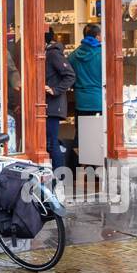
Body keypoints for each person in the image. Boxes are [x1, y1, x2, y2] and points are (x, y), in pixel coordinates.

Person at [67, 23, 104, 168]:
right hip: (98, 101)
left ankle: (75, 168)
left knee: (82, 135)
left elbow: (68, 75)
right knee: (98, 136)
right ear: (97, 36)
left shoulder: (74, 55)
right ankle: (94, 170)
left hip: (81, 101)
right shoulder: (101, 53)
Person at [44, 29, 76, 171]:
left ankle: (60, 178)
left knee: (51, 142)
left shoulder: (53, 54)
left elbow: (70, 75)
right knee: (49, 141)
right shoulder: (47, 53)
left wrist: (55, 90)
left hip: (52, 105)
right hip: (48, 105)